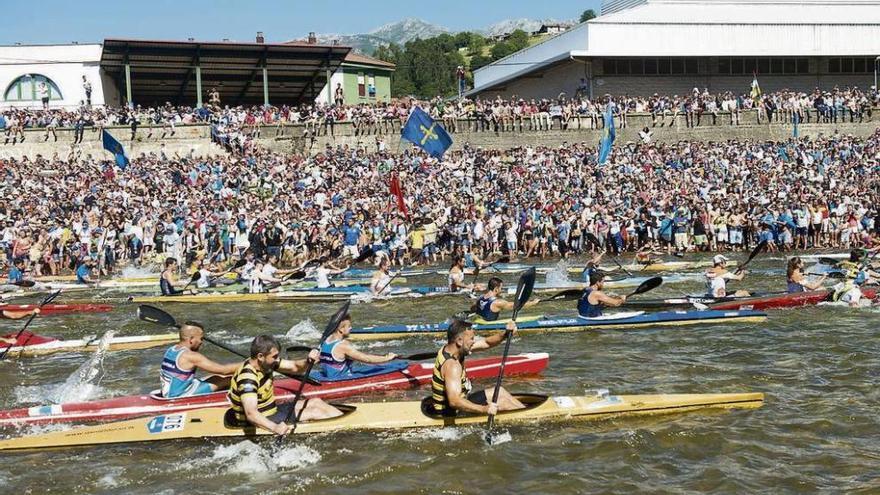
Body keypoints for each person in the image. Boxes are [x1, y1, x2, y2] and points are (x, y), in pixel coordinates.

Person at [227, 335, 343, 434]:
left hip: (271, 410)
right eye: (274, 356)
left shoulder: (267, 363)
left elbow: (295, 367)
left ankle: (344, 420)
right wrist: (275, 428)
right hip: (261, 418)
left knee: (316, 401)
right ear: (260, 356)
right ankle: (347, 429)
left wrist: (308, 361)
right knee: (316, 412)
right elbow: (251, 414)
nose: (277, 359)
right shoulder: (248, 378)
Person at [430, 319, 525, 416]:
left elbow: (486, 343)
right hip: (452, 412)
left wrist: (505, 334)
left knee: (500, 391)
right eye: (471, 339)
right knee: (504, 403)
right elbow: (454, 401)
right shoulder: (452, 366)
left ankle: (529, 413)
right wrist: (484, 409)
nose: (473, 342)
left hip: (462, 400)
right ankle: (530, 417)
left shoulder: (453, 348)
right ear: (459, 341)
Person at [159, 321, 239, 398]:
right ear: (191, 339)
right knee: (227, 380)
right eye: (201, 338)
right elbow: (224, 370)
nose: (201, 342)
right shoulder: (190, 356)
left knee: (217, 377)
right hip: (179, 396)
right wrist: (249, 363)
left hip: (170, 391)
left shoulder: (171, 349)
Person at [317, 314, 404, 380]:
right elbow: (367, 359)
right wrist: (387, 358)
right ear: (341, 330)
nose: (351, 328)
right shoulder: (343, 346)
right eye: (349, 326)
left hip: (327, 377)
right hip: (340, 379)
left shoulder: (325, 340)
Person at [473, 277, 538, 322]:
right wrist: (532, 303)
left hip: (480, 323)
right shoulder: (498, 302)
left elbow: (473, 308)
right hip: (489, 327)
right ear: (496, 289)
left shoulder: (480, 298)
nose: (501, 290)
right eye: (501, 288)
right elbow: (516, 305)